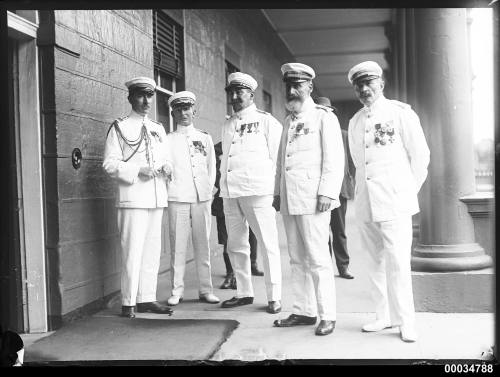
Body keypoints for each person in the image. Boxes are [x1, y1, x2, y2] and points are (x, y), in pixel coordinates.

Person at [347, 61, 430, 342]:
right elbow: (360, 164)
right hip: (367, 202)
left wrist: (407, 191)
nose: (364, 88)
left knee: (398, 262)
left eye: (369, 82)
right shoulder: (356, 121)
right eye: (358, 84)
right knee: (374, 262)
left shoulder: (400, 114)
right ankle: (383, 316)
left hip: (395, 200)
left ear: (381, 84)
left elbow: (420, 156)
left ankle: (407, 321)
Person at [273, 63, 344, 336]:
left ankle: (327, 315)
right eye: (289, 86)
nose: (292, 90)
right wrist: (278, 193)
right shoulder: (288, 121)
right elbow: (282, 162)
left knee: (317, 258)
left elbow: (334, 159)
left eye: (298, 85)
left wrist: (328, 191)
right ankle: (304, 311)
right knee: (296, 258)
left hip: (314, 199)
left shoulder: (323, 117)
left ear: (310, 87)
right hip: (290, 199)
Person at [103, 76, 173, 318]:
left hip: (156, 197)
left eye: (150, 95)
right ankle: (128, 302)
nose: (146, 100)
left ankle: (146, 298)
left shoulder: (158, 129)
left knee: (152, 250)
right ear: (130, 97)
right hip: (133, 198)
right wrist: (137, 171)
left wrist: (168, 168)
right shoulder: (120, 127)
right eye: (141, 95)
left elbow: (165, 158)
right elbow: (109, 164)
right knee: (132, 250)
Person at [219, 72, 283, 314]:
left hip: (258, 191)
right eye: (231, 92)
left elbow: (278, 159)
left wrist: (276, 193)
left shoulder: (266, 121)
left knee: (268, 244)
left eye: (240, 92)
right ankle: (244, 292)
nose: (234, 97)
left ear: (251, 95)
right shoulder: (227, 124)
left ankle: (274, 296)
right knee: (236, 245)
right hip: (230, 192)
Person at [165, 91, 220, 306]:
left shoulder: (204, 137)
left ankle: (206, 290)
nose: (183, 113)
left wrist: (208, 192)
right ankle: (176, 290)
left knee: (202, 245)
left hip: (201, 197)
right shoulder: (168, 140)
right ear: (173, 113)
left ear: (193, 111)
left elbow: (211, 168)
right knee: (177, 245)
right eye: (178, 109)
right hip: (178, 196)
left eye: (186, 108)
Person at [212, 142, 264, 290]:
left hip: (248, 194)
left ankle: (252, 264)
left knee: (251, 234)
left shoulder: (250, 143)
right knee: (226, 238)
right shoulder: (222, 145)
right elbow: (211, 163)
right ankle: (230, 274)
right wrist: (220, 178)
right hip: (225, 198)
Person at [315, 97, 355, 280]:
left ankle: (343, 266)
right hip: (317, 191)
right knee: (320, 231)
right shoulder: (312, 133)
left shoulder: (344, 134)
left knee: (338, 229)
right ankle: (325, 266)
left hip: (339, 190)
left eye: (326, 110)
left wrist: (349, 180)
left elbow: (352, 161)